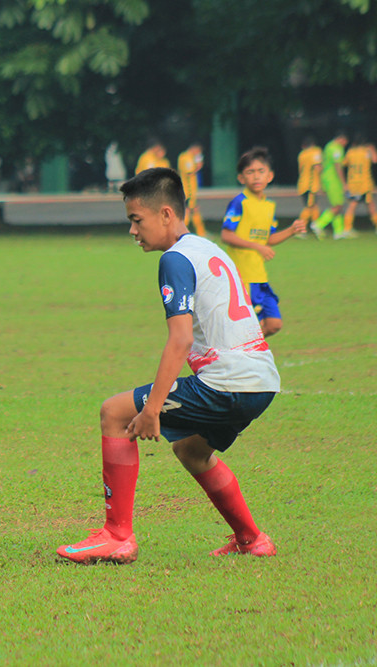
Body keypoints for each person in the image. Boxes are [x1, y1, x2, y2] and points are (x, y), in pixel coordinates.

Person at [57, 168, 280, 565]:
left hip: (226, 382)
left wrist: (151, 409)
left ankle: (117, 536)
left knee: (114, 412)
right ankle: (251, 538)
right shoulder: (209, 249)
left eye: (136, 220)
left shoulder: (175, 260)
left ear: (164, 214)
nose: (132, 231)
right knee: (192, 451)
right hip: (261, 381)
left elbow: (179, 339)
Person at [220, 147, 306, 338]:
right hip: (243, 277)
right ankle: (240, 355)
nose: (256, 177)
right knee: (248, 326)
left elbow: (269, 239)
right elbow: (226, 235)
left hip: (259, 275)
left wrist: (292, 230)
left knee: (274, 324)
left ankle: (240, 349)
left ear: (270, 176)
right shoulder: (240, 203)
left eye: (261, 172)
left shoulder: (269, 206)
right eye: (250, 172)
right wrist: (256, 246)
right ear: (241, 178)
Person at [312, 131, 349, 239]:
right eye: (345, 142)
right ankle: (318, 224)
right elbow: (338, 167)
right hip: (333, 180)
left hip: (328, 179)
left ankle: (338, 232)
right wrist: (344, 183)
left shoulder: (328, 146)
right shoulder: (336, 148)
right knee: (337, 206)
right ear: (342, 139)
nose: (344, 145)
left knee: (338, 205)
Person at [341, 134, 377, 236]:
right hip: (364, 183)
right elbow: (375, 159)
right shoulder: (366, 151)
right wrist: (372, 148)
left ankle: (347, 228)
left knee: (353, 205)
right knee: (370, 205)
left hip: (353, 183)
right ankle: (347, 229)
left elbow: (344, 163)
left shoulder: (350, 152)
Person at [177, 142, 206, 236]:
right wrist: (198, 166)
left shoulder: (188, 157)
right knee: (188, 211)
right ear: (195, 149)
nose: (198, 154)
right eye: (198, 152)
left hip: (191, 190)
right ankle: (180, 232)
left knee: (194, 210)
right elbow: (189, 172)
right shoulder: (186, 158)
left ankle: (201, 233)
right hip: (187, 190)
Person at [296, 136, 323, 227]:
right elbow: (317, 167)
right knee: (309, 207)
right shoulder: (315, 152)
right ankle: (299, 228)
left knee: (314, 206)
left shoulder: (302, 154)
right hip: (311, 185)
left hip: (302, 183)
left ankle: (317, 226)